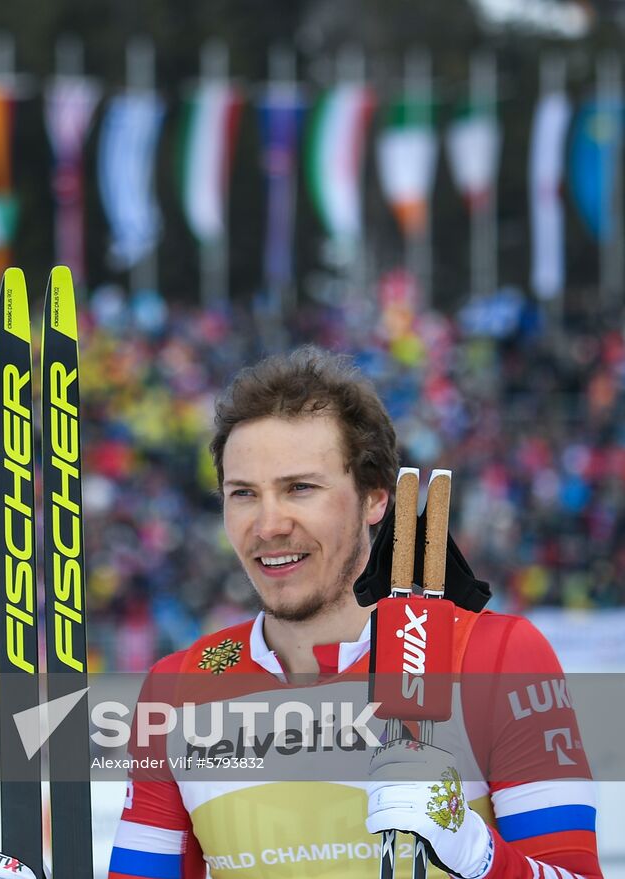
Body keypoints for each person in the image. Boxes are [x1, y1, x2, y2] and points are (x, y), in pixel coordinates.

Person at [106, 348, 601, 879]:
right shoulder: (177, 687)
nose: (269, 524)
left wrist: (475, 853)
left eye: (300, 488)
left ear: (374, 500)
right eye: (244, 493)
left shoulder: (496, 656)